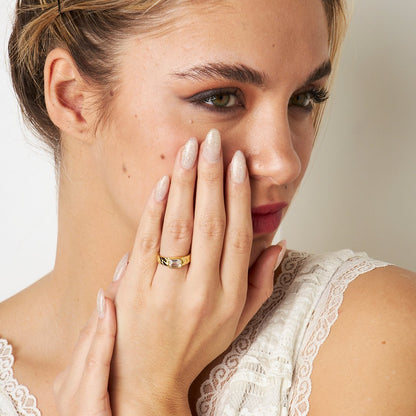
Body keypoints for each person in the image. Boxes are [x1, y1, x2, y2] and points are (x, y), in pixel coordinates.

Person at [0, 0, 415, 415]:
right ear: (71, 97)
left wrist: (148, 396)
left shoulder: (374, 334)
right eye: (221, 97)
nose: (283, 162)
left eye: (304, 98)